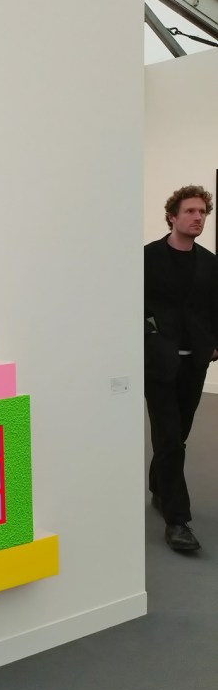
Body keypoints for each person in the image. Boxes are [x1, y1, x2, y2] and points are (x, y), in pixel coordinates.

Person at [144, 184, 218, 552]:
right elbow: (134, 305)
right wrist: (148, 340)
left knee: (178, 434)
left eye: (202, 212)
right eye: (190, 211)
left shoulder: (210, 262)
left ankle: (159, 487)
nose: (198, 217)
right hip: (158, 362)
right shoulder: (147, 257)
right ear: (172, 216)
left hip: (195, 361)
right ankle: (177, 521)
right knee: (170, 437)